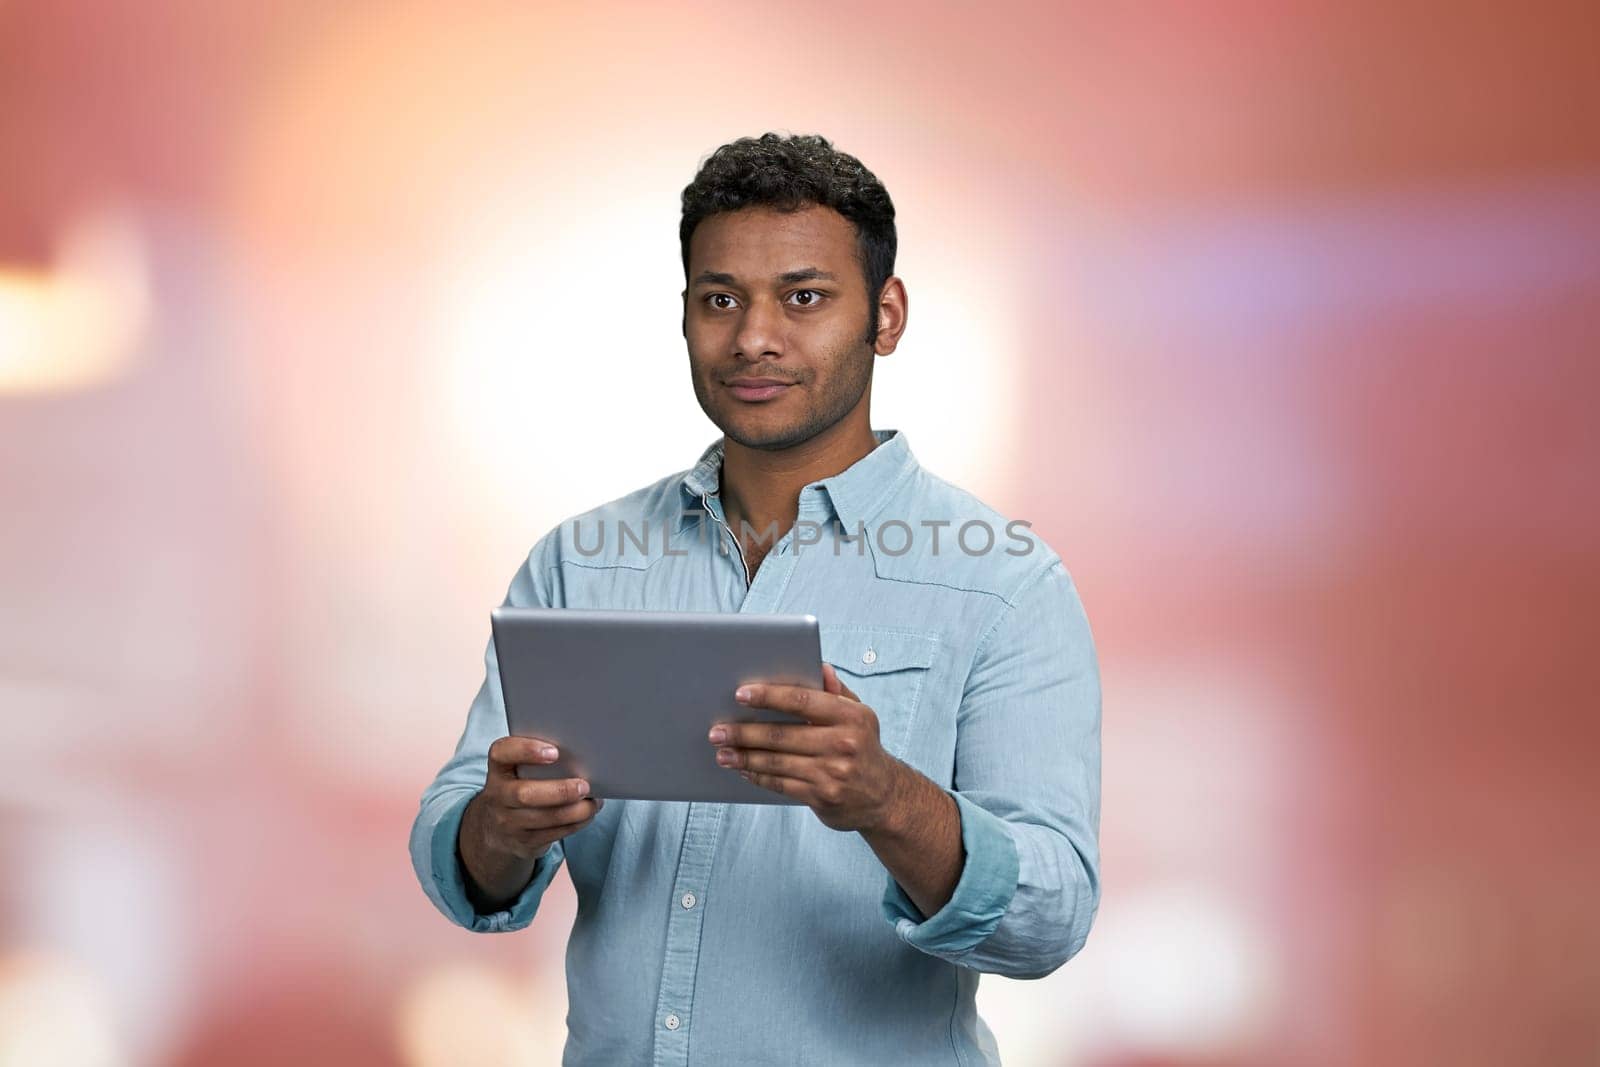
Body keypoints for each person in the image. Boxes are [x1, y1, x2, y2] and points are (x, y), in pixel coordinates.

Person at [410, 132, 1101, 1066]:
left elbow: (1050, 916)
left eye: (804, 297)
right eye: (720, 299)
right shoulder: (579, 563)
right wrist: (497, 829)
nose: (753, 338)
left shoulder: (1004, 583)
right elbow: (461, 850)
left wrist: (885, 797)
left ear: (886, 316)